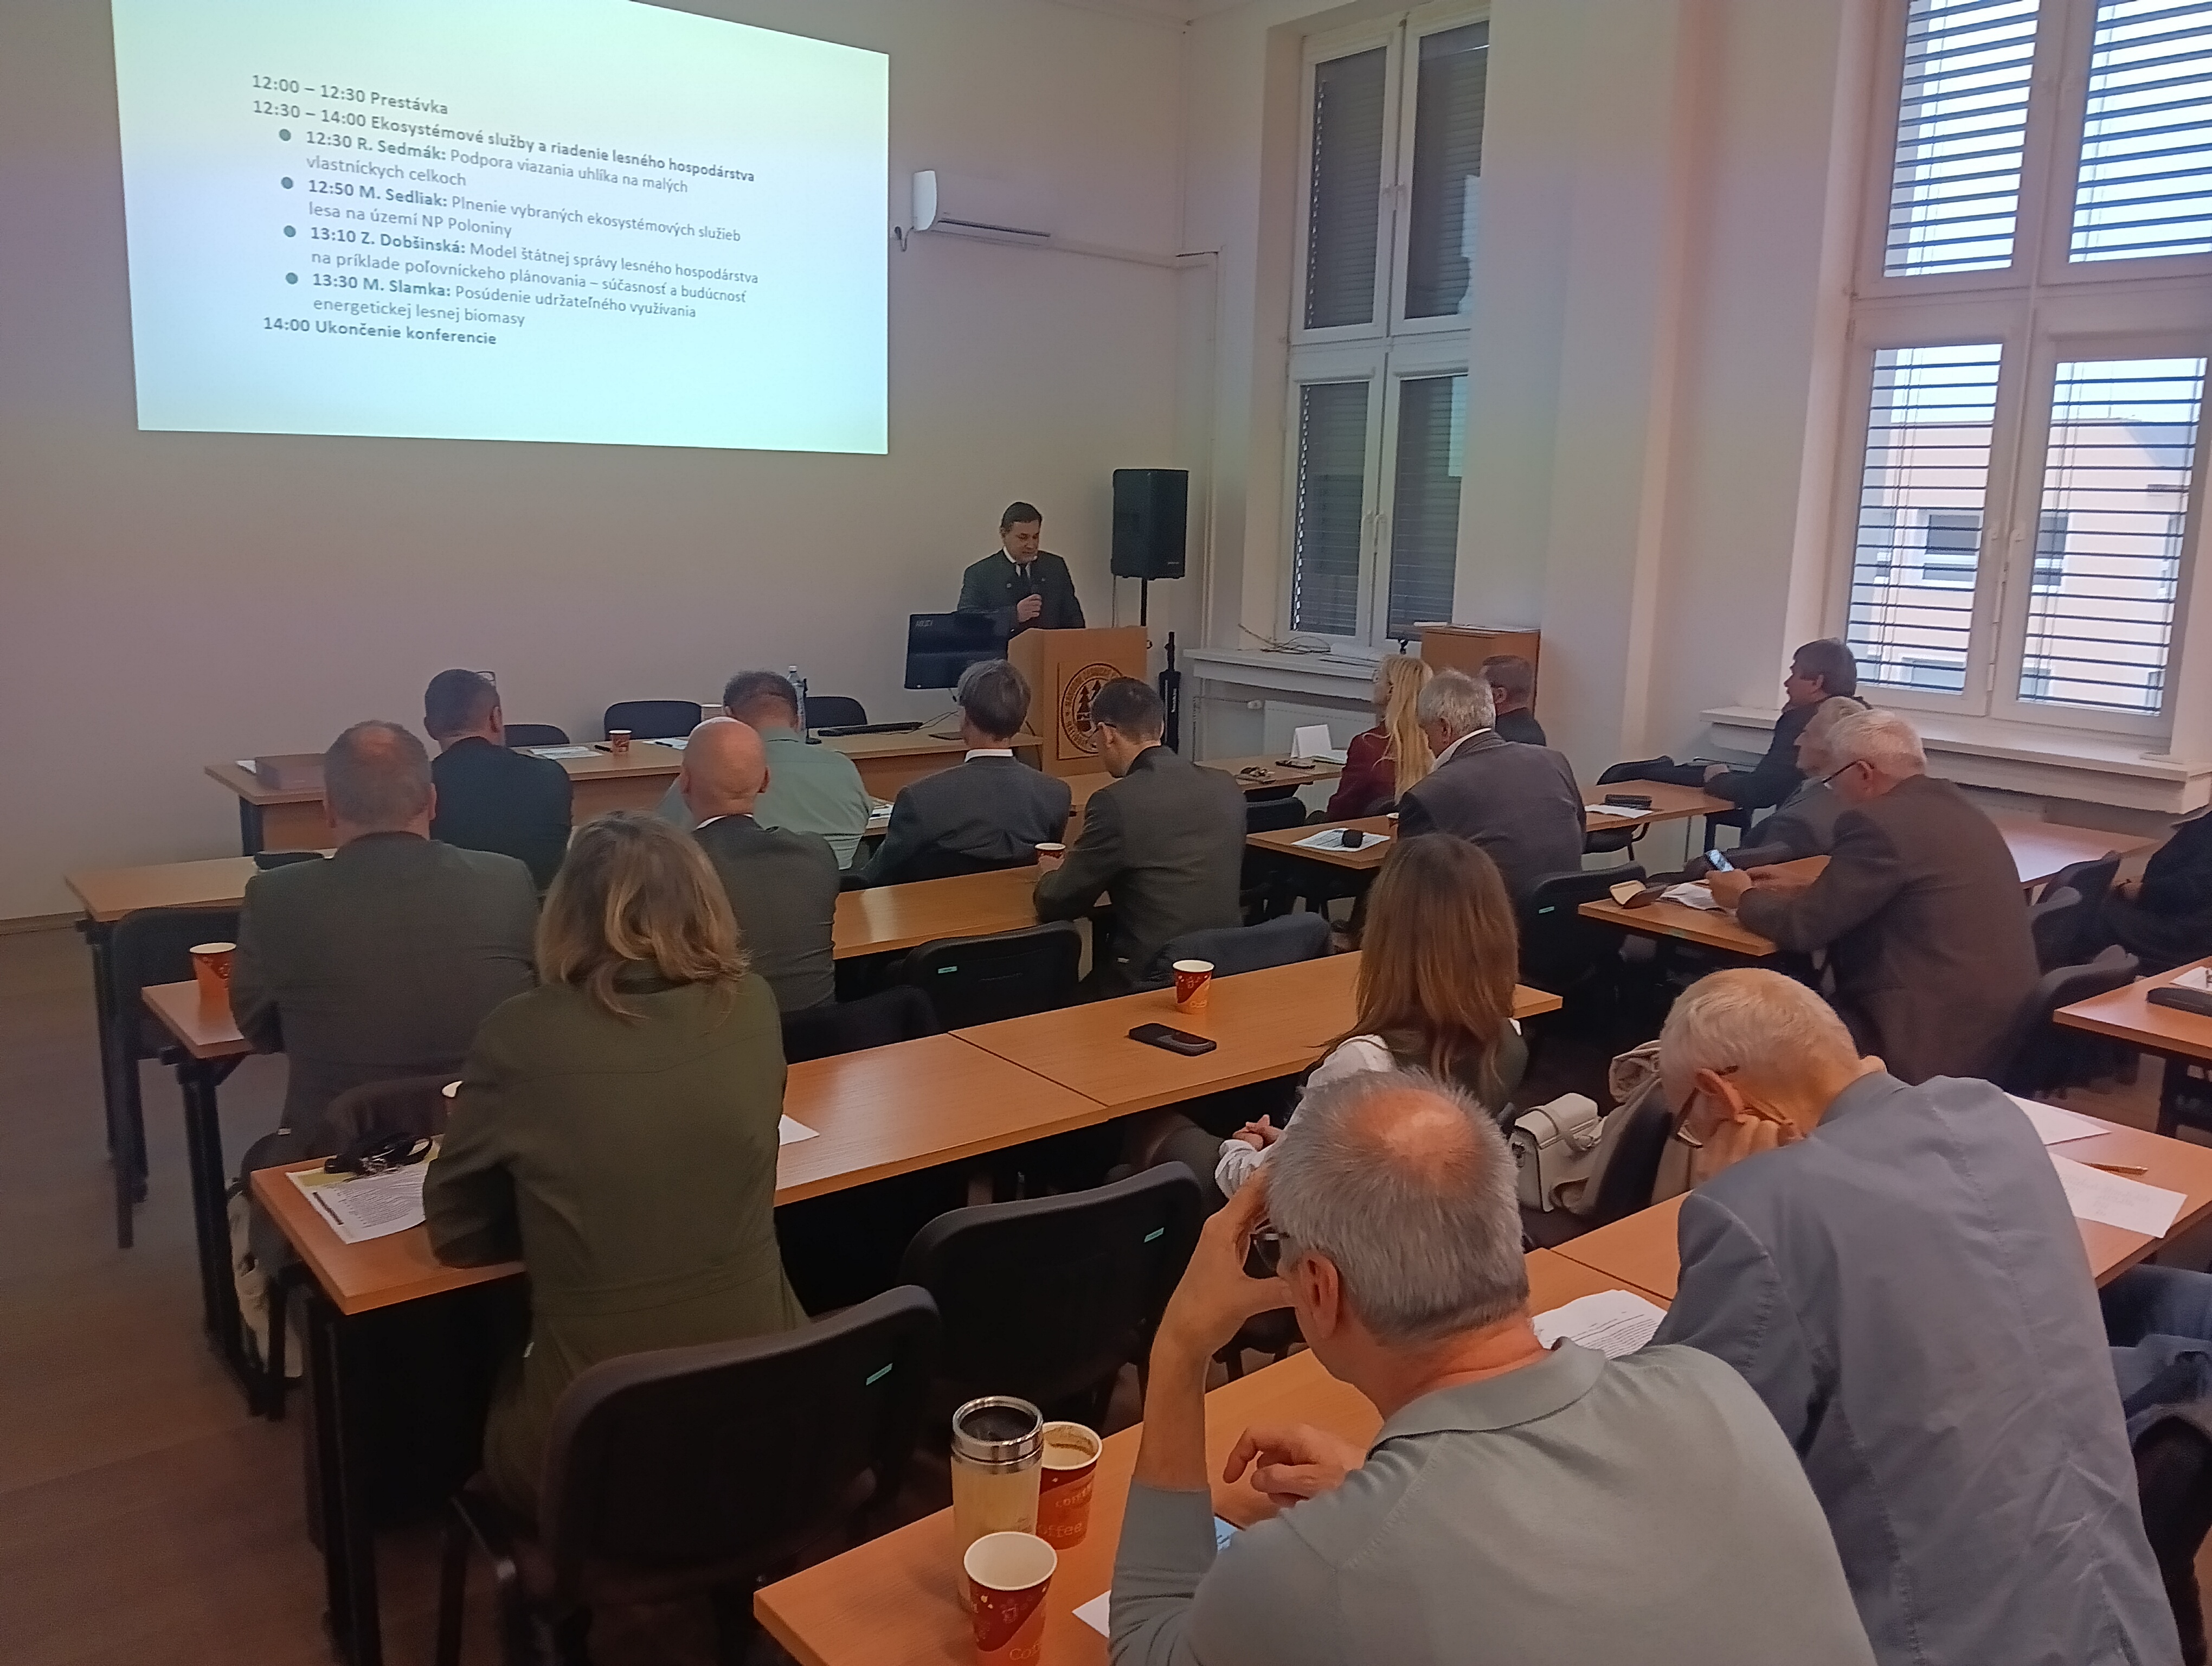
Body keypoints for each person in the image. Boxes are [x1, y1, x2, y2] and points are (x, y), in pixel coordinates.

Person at [1109, 1068, 1877, 1666]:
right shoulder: (1719, 1391)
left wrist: (1179, 1346)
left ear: (1317, 1288)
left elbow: (1146, 1641)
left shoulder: (1315, 1571)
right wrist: (1380, 1498)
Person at [1649, 970, 2177, 1666]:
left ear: (1721, 1096)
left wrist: (1740, 1188)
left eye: (1690, 1122)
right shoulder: (1991, 1114)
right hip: (2128, 1625)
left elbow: (1685, 1457)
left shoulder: (1757, 1210)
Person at [425, 812, 805, 1516]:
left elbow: (457, 1233)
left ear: (564, 912)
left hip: (594, 1444)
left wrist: (565, 1225)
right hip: (771, 1405)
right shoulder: (752, 1004)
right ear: (706, 899)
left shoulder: (520, 1035)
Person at [1146, 835, 1528, 1209]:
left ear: (1387, 937)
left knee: (1155, 1127)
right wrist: (1296, 1141)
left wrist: (1241, 1148)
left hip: (1321, 1230)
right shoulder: (1508, 1036)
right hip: (1417, 1213)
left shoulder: (1365, 1062)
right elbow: (1387, 1152)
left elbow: (1263, 1187)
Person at [230, 721, 537, 1135]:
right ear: (432, 802)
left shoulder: (275, 897)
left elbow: (260, 1031)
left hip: (339, 1151)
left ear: (328, 809)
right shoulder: (507, 880)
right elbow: (537, 1006)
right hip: (488, 1141)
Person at [1707, 709, 2037, 1083]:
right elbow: (1908, 894)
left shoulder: (1878, 823)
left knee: (1757, 1032)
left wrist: (1743, 896)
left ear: (1863, 773)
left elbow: (1804, 928)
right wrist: (1808, 888)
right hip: (1994, 1022)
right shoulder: (1959, 806)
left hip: (1920, 1029)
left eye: (1832, 780)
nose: (1834, 793)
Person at [1035, 677, 1245, 996]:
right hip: (1226, 963)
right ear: (1160, 727)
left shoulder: (1115, 803)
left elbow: (1057, 903)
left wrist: (1049, 873)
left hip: (1151, 976)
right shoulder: (1226, 785)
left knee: (1048, 1002)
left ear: (1107, 734)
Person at [846, 659, 1070, 887]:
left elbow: (875, 878)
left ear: (964, 717)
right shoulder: (1056, 795)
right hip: (1018, 906)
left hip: (932, 908)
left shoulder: (920, 799)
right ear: (1021, 720)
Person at [680, 717, 839, 1013]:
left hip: (730, 1034)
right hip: (822, 1030)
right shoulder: (816, 853)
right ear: (766, 781)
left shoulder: (672, 868)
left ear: (684, 781)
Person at [1394, 670, 1583, 901]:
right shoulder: (1555, 761)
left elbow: (1410, 889)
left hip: (1487, 919)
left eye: (1426, 732)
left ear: (1445, 729)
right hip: (1566, 912)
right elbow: (1579, 836)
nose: (1428, 745)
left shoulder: (1429, 794)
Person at [657, 671, 872, 866]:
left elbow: (665, 840)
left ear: (729, 717)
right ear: (798, 721)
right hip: (835, 891)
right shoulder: (844, 768)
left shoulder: (705, 777)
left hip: (730, 893)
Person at [1617, 639, 1858, 810]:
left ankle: (1642, 772)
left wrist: (1718, 778)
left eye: (1794, 674)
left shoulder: (1806, 721)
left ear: (1816, 683)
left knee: (1628, 775)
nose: (1787, 683)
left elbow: (1760, 792)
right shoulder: (1860, 717)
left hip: (1792, 839)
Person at [421, 668, 573, 889]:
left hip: (456, 905)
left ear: (430, 728)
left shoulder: (420, 789)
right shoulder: (549, 775)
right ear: (496, 718)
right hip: (541, 907)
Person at [1684, 694, 1866, 875]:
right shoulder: (1853, 801)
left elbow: (1739, 865)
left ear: (1829, 749)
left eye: (1806, 734)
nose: (1797, 742)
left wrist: (1703, 862)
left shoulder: (1800, 822)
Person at [2093, 806, 2212, 972]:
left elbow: (2186, 890)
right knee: (2090, 903)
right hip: (2179, 917)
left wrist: (2125, 889)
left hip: (2186, 932)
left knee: (2088, 912)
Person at [1320, 654, 1433, 820]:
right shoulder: (1434, 743)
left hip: (1364, 832)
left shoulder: (1368, 745)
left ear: (1391, 690)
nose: (1374, 683)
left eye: (1378, 677)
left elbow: (1341, 811)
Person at [956, 501, 1086, 637]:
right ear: (1003, 534)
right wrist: (1014, 615)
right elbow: (966, 621)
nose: (1031, 545)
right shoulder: (980, 573)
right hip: (1002, 649)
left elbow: (1074, 619)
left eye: (1036, 537)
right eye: (1023, 538)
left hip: (1051, 648)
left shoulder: (1055, 567)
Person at [1477, 654, 1545, 747]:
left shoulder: (1492, 737)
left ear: (1499, 695)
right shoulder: (1535, 732)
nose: (1476, 693)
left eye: (1480, 687)